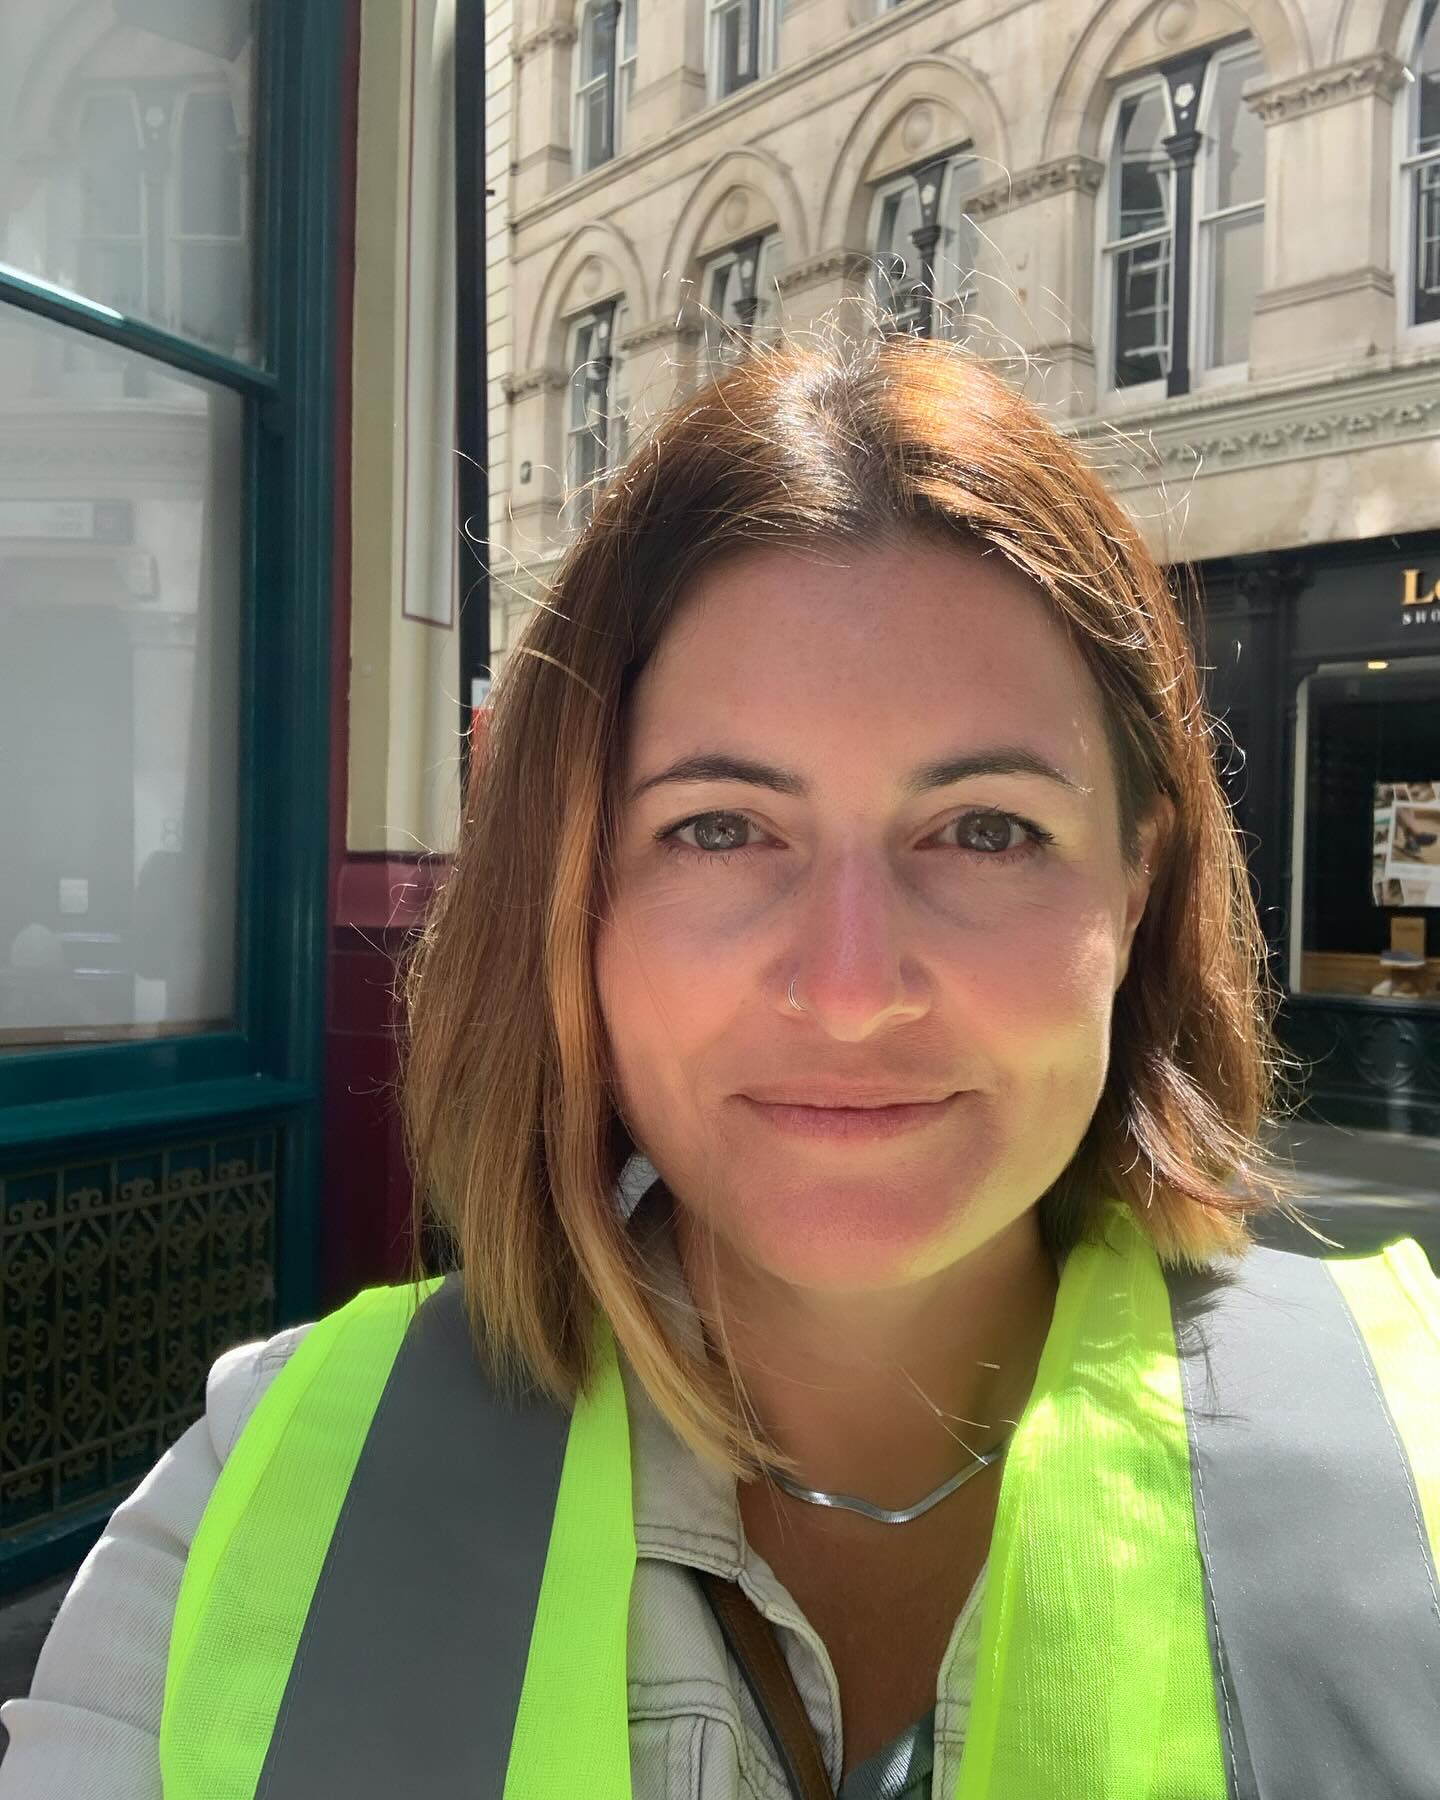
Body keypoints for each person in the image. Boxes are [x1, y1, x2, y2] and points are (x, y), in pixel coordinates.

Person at [4, 338, 1438, 1800]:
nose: (852, 988)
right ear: (578, 896)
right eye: (721, 828)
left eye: (988, 828)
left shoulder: (1415, 1465)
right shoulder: (257, 1503)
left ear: (1133, 891)